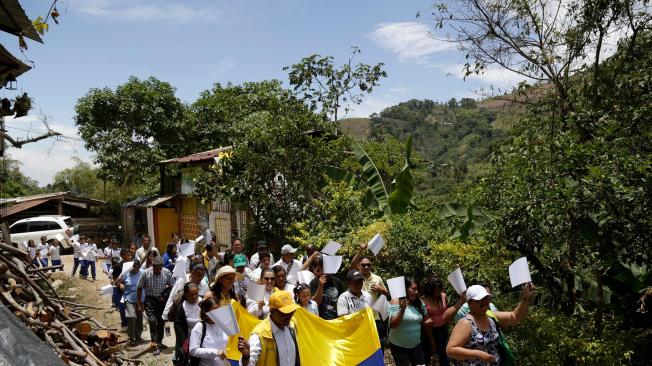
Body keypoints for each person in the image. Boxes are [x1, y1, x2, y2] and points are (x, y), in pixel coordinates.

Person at [447, 283, 534, 365]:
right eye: (479, 300)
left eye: (486, 298)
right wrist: (479, 354)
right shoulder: (465, 323)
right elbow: (451, 350)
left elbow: (515, 317)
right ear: (469, 303)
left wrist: (525, 298)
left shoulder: (490, 315)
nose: (484, 301)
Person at [238, 290, 301, 366]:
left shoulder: (292, 325)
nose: (288, 316)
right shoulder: (259, 335)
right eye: (284, 313)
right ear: (271, 311)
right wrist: (246, 357)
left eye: (291, 312)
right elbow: (249, 364)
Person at [421, 277, 465, 366]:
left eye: (438, 291)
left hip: (442, 329)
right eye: (435, 292)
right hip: (429, 331)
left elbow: (446, 312)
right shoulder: (423, 300)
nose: (437, 294)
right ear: (430, 290)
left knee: (444, 355)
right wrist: (432, 341)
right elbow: (425, 322)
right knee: (426, 355)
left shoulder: (443, 296)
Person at [137, 256, 175, 355]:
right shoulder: (146, 273)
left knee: (161, 322)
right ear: (152, 266)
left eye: (159, 267)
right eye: (155, 267)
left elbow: (173, 286)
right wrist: (139, 302)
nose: (157, 270)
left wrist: (164, 295)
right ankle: (155, 345)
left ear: (162, 266)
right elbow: (139, 287)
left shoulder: (167, 272)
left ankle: (159, 342)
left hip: (162, 301)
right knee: (152, 321)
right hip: (150, 300)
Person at [388, 277, 428, 366]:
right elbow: (393, 325)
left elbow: (421, 320)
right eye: (413, 289)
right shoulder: (395, 301)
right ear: (405, 289)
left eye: (417, 289)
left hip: (416, 344)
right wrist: (402, 310)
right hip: (399, 346)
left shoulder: (420, 302)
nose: (416, 292)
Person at [356, 256, 389, 347]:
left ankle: (379, 361)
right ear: (358, 266)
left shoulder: (377, 278)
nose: (366, 267)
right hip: (360, 317)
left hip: (375, 317)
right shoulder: (355, 278)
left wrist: (381, 290)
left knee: (378, 343)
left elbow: (387, 294)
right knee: (363, 344)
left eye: (368, 265)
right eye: (363, 265)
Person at [189, 297, 229, 366]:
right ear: (206, 312)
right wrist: (215, 352)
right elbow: (193, 350)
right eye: (214, 310)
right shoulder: (199, 327)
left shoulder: (223, 324)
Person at [117, 259, 144, 346]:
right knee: (131, 317)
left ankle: (138, 336)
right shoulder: (126, 273)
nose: (134, 269)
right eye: (133, 267)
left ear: (139, 267)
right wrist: (120, 283)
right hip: (129, 298)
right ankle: (131, 338)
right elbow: (117, 283)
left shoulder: (143, 273)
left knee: (139, 319)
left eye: (136, 267)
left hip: (140, 299)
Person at [174, 282, 202, 365]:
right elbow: (178, 326)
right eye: (191, 295)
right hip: (189, 338)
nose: (194, 297)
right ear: (186, 295)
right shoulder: (182, 307)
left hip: (203, 338)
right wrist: (184, 342)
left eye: (196, 294)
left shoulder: (203, 302)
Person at [112, 248, 131, 329]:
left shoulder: (133, 264)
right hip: (121, 290)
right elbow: (114, 278)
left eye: (130, 255)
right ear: (122, 256)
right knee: (122, 307)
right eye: (127, 255)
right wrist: (120, 285)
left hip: (131, 289)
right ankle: (124, 323)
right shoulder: (118, 266)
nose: (130, 257)